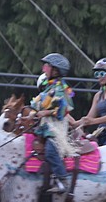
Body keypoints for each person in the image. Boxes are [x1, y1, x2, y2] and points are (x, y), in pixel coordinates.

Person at [30, 53, 74, 194]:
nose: (43, 68)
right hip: (45, 126)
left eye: (46, 65)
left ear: (55, 70)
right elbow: (37, 104)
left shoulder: (60, 88)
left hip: (56, 128)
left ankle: (62, 179)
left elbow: (62, 109)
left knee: (50, 150)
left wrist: (45, 113)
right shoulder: (49, 87)